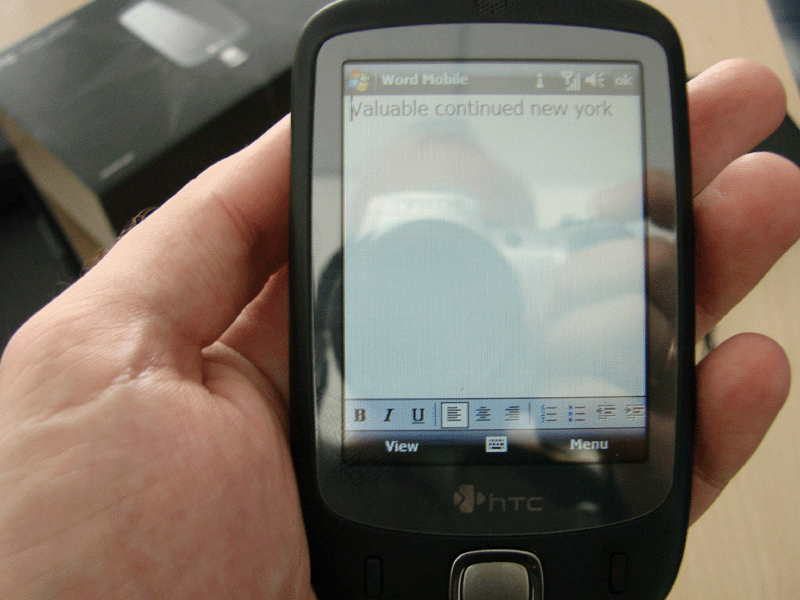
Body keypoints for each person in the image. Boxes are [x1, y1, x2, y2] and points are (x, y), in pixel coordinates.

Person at [0, 58, 798, 600]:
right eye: (404, 251)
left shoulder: (580, 440)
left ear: (542, 265)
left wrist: (597, 453)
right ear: (317, 274)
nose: (441, 288)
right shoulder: (285, 455)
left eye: (485, 245)